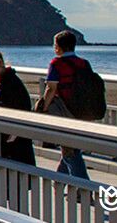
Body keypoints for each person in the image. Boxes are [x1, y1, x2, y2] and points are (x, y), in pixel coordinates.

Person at [38, 30, 90, 180]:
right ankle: (59, 181)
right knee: (69, 147)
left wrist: (44, 108)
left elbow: (51, 88)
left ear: (58, 47)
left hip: (65, 110)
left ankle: (82, 188)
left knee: (70, 150)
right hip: (82, 110)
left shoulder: (56, 63)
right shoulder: (83, 63)